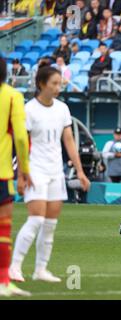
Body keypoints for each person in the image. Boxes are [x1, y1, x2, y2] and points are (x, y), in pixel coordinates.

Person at [9, 66, 91, 283]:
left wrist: (80, 171)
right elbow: (21, 144)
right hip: (35, 170)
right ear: (41, 84)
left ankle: (40, 270)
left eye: (59, 83)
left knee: (50, 224)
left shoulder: (62, 109)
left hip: (56, 170)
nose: (58, 87)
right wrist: (21, 174)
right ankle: (14, 266)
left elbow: (69, 141)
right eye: (54, 83)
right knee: (35, 219)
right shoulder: (29, 110)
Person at [0, 58, 32, 297]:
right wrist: (25, 170)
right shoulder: (12, 96)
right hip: (2, 173)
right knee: (3, 229)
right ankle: (3, 281)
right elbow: (21, 137)